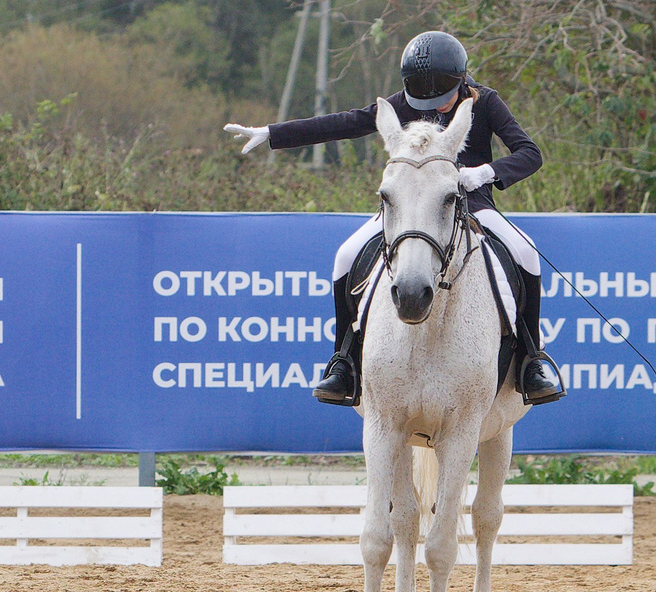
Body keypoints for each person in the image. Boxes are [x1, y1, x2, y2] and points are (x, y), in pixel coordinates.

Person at [224, 30, 564, 407]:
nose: (432, 106)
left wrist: (484, 173)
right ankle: (344, 360)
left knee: (526, 251)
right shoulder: (403, 103)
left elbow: (529, 153)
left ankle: (532, 359)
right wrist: (272, 133)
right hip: (406, 210)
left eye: (442, 98)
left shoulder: (485, 102)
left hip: (469, 203)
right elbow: (343, 123)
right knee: (345, 255)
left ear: (461, 79)